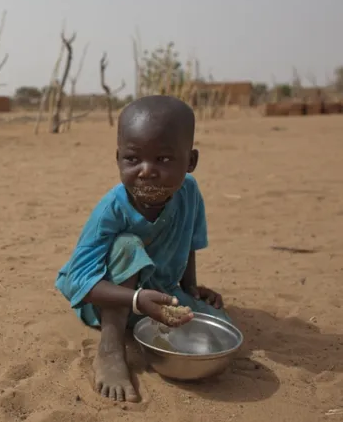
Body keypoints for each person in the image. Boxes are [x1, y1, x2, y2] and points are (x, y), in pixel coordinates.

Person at [55, 95, 230, 403]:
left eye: (163, 159)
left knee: (223, 326)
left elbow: (188, 240)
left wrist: (190, 287)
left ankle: (150, 318)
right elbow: (75, 281)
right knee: (127, 244)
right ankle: (110, 349)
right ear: (118, 157)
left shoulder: (189, 192)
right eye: (133, 159)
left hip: (158, 298)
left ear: (190, 162)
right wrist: (136, 298)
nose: (146, 171)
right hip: (107, 301)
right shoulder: (113, 208)